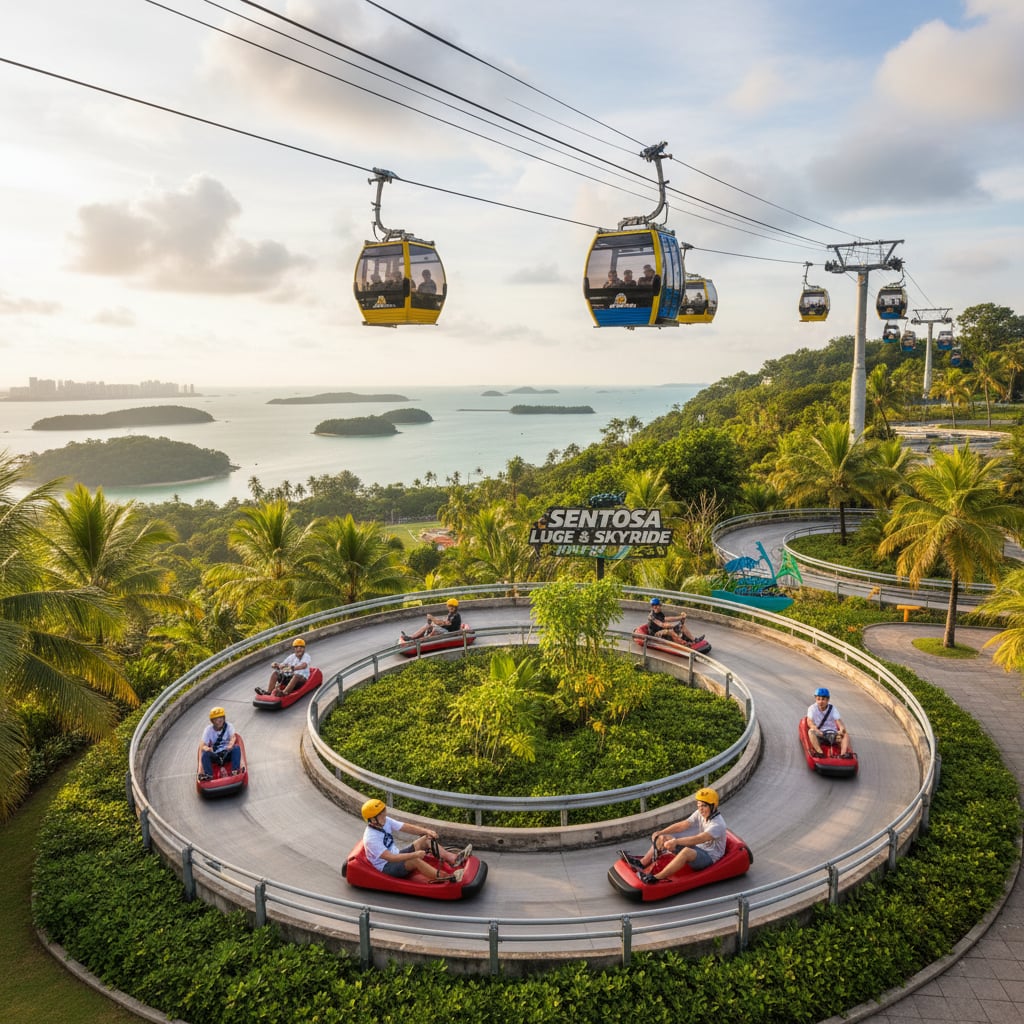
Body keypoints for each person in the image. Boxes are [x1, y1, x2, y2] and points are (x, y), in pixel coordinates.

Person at [619, 787, 727, 884]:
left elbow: (698, 839)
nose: (701, 809)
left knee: (686, 852)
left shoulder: (717, 825)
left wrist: (676, 841)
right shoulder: (700, 813)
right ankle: (641, 863)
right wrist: (661, 832)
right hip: (699, 849)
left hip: (709, 857)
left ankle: (656, 877)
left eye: (704, 806)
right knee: (664, 837)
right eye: (699, 805)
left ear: (713, 806)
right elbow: (683, 825)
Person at [360, 799, 471, 883]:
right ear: (372, 820)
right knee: (414, 860)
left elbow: (405, 827)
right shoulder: (371, 838)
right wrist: (415, 854)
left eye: (383, 811)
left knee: (426, 839)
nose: (384, 815)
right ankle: (446, 877)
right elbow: (391, 858)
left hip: (397, 854)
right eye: (380, 814)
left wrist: (426, 831)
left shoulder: (384, 821)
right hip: (387, 867)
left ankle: (454, 859)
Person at [806, 686, 852, 757]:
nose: (820, 702)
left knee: (845, 735)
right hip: (820, 733)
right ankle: (820, 753)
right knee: (811, 731)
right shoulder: (812, 708)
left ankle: (843, 754)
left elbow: (838, 721)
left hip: (832, 734)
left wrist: (842, 729)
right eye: (818, 699)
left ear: (828, 700)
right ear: (816, 699)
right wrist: (816, 730)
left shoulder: (832, 709)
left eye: (823, 699)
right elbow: (809, 721)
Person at [198, 706, 241, 781]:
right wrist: (207, 749)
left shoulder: (229, 726)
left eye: (221, 718)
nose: (220, 720)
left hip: (226, 752)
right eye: (216, 719)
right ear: (212, 721)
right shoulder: (208, 730)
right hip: (215, 754)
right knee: (205, 754)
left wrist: (230, 745)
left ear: (224, 718)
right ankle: (209, 775)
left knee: (236, 748)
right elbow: (202, 745)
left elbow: (233, 737)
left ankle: (235, 771)